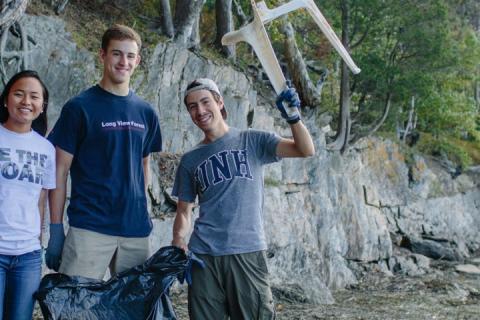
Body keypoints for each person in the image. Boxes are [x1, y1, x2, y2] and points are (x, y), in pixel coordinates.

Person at [171, 78, 315, 319]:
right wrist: (178, 240)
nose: (200, 111)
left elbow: (305, 150)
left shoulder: (253, 141)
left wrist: (293, 117)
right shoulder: (190, 160)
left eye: (205, 102)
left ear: (219, 102)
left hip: (246, 252)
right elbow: (184, 211)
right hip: (203, 257)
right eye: (192, 106)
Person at [45, 24, 162, 279]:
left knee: (134, 310)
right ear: (103, 55)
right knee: (75, 310)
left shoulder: (146, 112)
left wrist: (145, 212)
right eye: (117, 53)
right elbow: (60, 169)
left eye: (130, 56)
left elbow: (144, 165)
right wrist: (55, 228)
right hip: (90, 228)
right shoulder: (79, 107)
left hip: (135, 231)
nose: (124, 62)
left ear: (138, 60)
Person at [0, 70, 55, 320]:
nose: (26, 102)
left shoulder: (45, 148)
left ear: (42, 106)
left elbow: (41, 200)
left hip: (28, 256)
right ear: (6, 99)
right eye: (19, 94)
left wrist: (41, 243)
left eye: (34, 96)